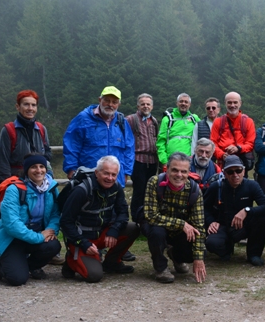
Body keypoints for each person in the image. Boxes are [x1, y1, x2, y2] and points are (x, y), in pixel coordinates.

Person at [59, 156, 140, 283]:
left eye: (114, 174)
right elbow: (65, 222)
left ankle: (112, 263)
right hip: (82, 238)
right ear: (97, 173)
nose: (110, 178)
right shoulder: (81, 190)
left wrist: (114, 230)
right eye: (106, 173)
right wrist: (83, 243)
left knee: (133, 227)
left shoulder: (116, 187)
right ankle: (71, 260)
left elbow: (123, 213)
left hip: (103, 234)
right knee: (94, 275)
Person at [0, 154, 61, 286]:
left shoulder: (51, 188)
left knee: (53, 245)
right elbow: (11, 224)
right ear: (26, 170)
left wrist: (51, 230)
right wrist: (38, 237)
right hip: (13, 238)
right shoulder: (14, 190)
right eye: (34, 167)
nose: (39, 170)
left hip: (37, 233)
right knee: (17, 279)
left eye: (41, 166)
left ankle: (30, 266)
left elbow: (56, 213)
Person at [142, 152, 207, 283]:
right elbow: (151, 216)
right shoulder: (154, 182)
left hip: (178, 233)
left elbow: (199, 225)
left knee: (198, 251)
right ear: (167, 169)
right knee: (156, 232)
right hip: (157, 226)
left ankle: (176, 256)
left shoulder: (195, 191)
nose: (179, 175)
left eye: (183, 171)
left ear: (189, 172)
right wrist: (182, 224)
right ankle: (161, 268)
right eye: (175, 170)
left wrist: (198, 259)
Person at [204, 156, 265, 266]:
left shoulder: (252, 185)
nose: (235, 175)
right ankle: (226, 250)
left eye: (238, 170)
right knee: (212, 243)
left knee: (260, 218)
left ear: (244, 171)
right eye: (230, 172)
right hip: (222, 225)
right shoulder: (216, 187)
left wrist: (247, 210)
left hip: (244, 225)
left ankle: (254, 254)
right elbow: (204, 207)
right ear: (225, 173)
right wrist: (211, 221)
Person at [63, 86, 135, 187]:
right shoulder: (83, 118)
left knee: (112, 202)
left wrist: (126, 172)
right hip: (88, 176)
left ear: (119, 104)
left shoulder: (122, 122)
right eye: (107, 100)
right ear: (100, 100)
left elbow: (129, 148)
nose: (110, 105)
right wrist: (71, 168)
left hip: (114, 178)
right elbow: (72, 144)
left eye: (114, 102)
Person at [0, 90, 52, 182]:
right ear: (18, 106)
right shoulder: (9, 130)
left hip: (39, 181)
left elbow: (47, 152)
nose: (30, 108)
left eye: (33, 105)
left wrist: (46, 173)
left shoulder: (41, 129)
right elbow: (2, 161)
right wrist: (7, 184)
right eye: (26, 104)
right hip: (17, 182)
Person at [126, 93, 159, 225]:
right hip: (137, 160)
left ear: (152, 106)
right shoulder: (131, 119)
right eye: (143, 104)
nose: (145, 106)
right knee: (139, 191)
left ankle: (147, 219)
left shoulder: (154, 121)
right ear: (138, 106)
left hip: (152, 161)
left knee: (149, 191)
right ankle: (136, 221)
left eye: (148, 104)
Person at [210, 92, 256, 174]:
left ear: (240, 103)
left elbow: (250, 143)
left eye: (235, 102)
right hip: (223, 163)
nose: (232, 105)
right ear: (225, 103)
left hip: (241, 163)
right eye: (229, 102)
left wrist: (238, 148)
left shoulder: (248, 122)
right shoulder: (218, 122)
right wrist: (222, 154)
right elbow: (213, 143)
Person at [157, 93, 200, 167]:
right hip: (171, 160)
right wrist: (164, 161)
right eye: (181, 101)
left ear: (189, 104)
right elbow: (161, 142)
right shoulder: (167, 119)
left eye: (186, 102)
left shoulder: (194, 118)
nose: (183, 103)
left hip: (190, 160)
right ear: (177, 103)